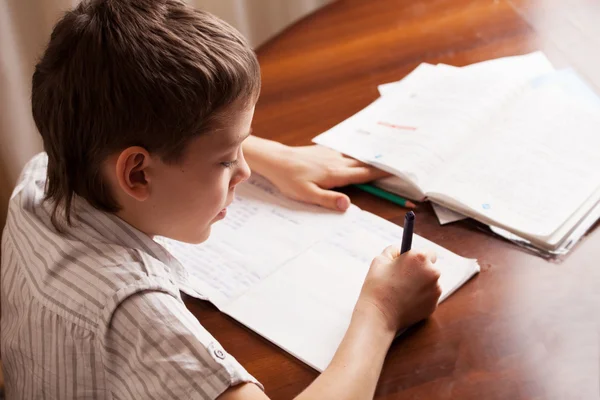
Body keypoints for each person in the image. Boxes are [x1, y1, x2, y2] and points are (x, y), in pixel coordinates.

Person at [0, 0, 442, 398]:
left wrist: (273, 155)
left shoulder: (40, 179)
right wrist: (381, 312)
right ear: (137, 173)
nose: (245, 172)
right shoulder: (133, 312)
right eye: (228, 160)